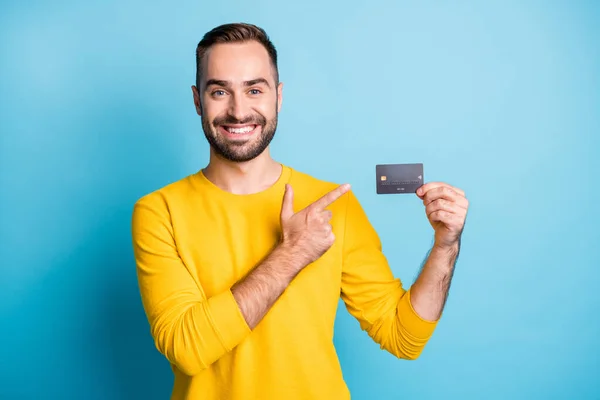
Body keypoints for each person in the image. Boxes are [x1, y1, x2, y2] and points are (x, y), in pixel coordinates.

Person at [131, 22, 469, 400]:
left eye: (254, 90)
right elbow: (186, 348)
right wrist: (292, 253)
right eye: (220, 91)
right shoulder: (160, 212)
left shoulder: (332, 205)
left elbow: (403, 337)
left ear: (278, 96)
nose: (238, 111)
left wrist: (445, 247)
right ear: (197, 100)